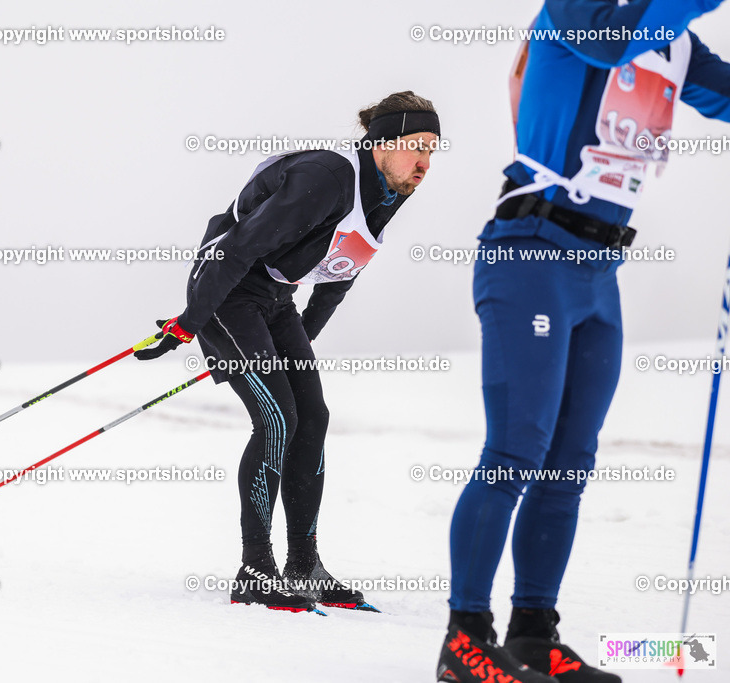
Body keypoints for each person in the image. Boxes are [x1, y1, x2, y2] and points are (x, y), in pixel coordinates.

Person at [437, 2, 730, 682]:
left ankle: (532, 634)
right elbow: (610, 46)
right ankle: (464, 638)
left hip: (599, 273)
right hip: (531, 252)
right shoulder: (576, 8)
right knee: (514, 451)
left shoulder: (677, 44)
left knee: (569, 464)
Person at [135, 91, 440, 613]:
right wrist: (190, 323)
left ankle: (304, 566)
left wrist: (297, 347)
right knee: (278, 418)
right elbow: (235, 248)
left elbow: (339, 276)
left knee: (312, 415)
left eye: (432, 150)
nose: (425, 163)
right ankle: (255, 569)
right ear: (383, 143)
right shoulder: (327, 178)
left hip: (276, 299)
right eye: (418, 146)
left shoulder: (388, 192)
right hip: (228, 290)